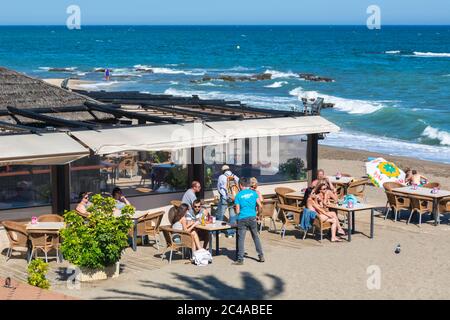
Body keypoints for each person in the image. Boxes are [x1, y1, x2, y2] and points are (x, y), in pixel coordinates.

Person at [232, 178, 264, 265]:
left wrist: (236, 216)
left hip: (242, 218)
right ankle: (261, 256)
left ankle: (240, 259)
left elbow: (237, 211)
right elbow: (260, 205)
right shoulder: (254, 193)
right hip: (252, 217)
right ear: (247, 185)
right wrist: (258, 215)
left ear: (240, 185)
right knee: (255, 237)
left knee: (241, 239)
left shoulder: (238, 195)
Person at [216, 165, 239, 238]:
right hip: (233, 199)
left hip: (225, 198)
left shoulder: (221, 177)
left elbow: (219, 188)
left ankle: (217, 232)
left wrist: (223, 195)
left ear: (223, 171)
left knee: (220, 215)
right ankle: (230, 233)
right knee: (232, 216)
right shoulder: (235, 177)